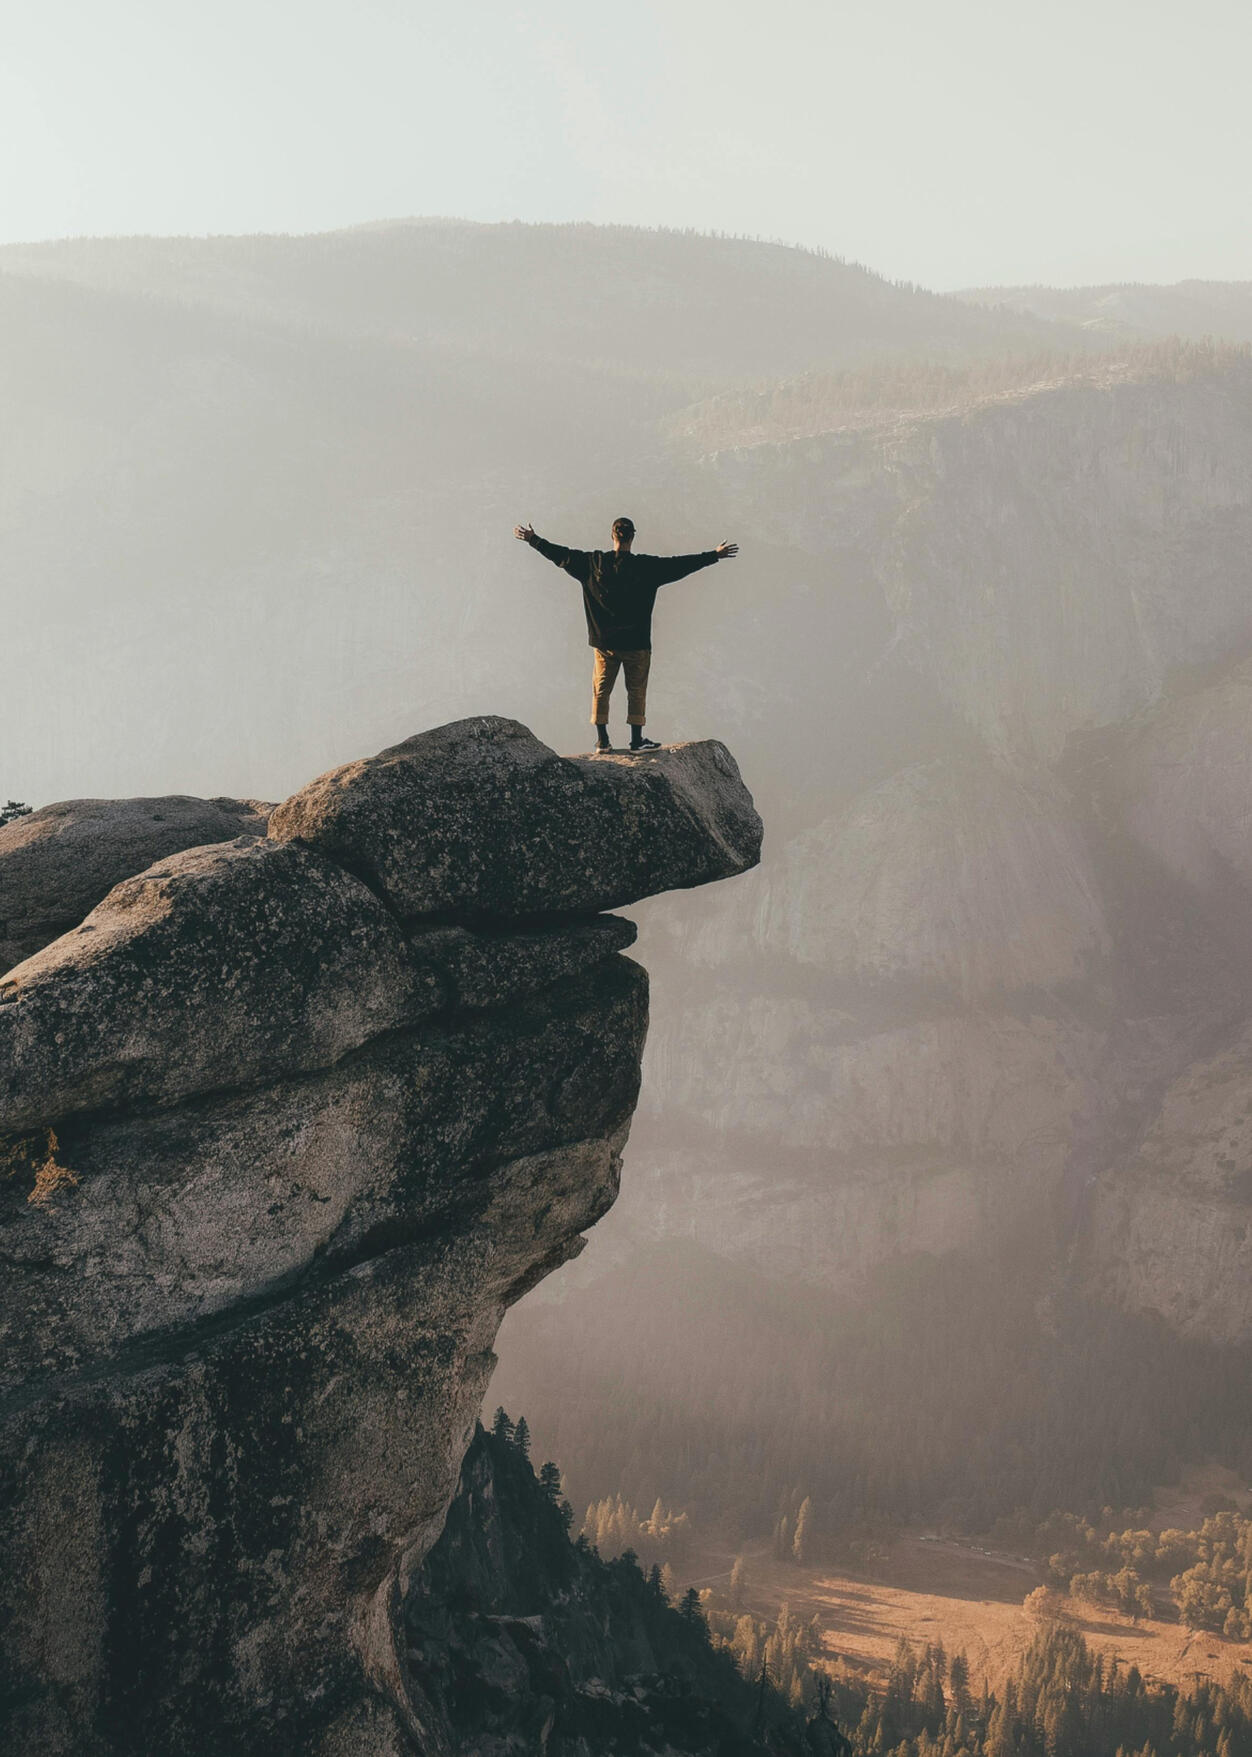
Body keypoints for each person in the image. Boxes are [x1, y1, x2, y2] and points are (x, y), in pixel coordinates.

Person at [513, 516, 738, 751]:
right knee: (636, 691)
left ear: (612, 535)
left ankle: (603, 741)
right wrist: (714, 555)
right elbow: (680, 565)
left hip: (604, 643)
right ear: (633, 537)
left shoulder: (592, 563)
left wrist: (533, 539)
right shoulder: (647, 567)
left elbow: (560, 555)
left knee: (601, 690)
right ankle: (636, 741)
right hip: (636, 643)